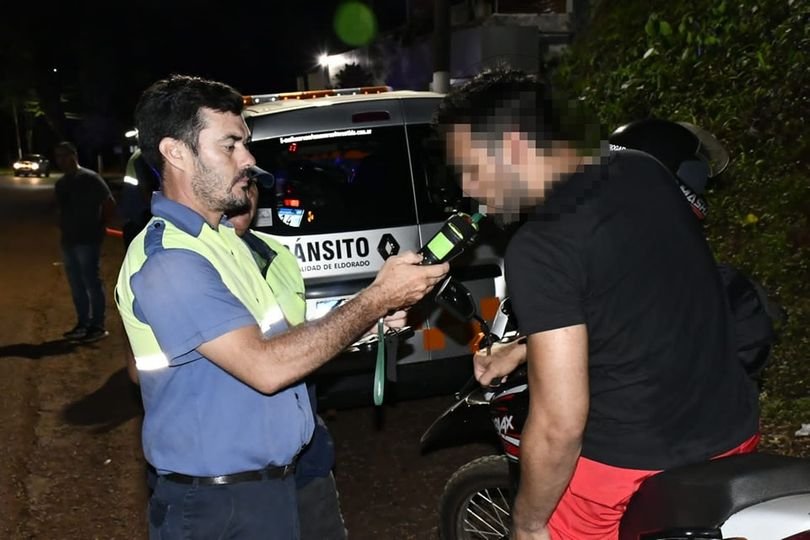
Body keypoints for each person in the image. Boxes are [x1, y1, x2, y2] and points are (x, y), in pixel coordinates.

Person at [116, 74, 448, 540]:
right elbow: (266, 367)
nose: (248, 159)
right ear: (176, 152)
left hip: (272, 487)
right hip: (220, 506)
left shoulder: (224, 242)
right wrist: (376, 298)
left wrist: (372, 321)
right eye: (230, 145)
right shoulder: (171, 260)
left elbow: (283, 341)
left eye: (245, 144)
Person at [435, 68, 760, 540]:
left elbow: (560, 425)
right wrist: (523, 349)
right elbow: (638, 300)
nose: (468, 189)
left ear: (514, 147)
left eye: (470, 169)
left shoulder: (539, 246)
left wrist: (527, 523)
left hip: (625, 468)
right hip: (732, 431)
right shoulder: (644, 169)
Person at [228, 180, 348, 540]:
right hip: (238, 473)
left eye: (250, 184)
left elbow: (301, 337)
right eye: (236, 182)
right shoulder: (190, 260)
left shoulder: (276, 253)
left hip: (305, 457)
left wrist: (367, 325)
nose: (245, 194)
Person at [54, 141, 116, 342]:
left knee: (91, 281)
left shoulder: (90, 178)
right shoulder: (61, 183)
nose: (61, 160)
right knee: (76, 284)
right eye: (58, 156)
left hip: (88, 239)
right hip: (69, 240)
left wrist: (101, 226)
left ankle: (97, 326)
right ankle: (83, 323)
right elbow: (61, 209)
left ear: (74, 155)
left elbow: (109, 203)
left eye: (65, 155)